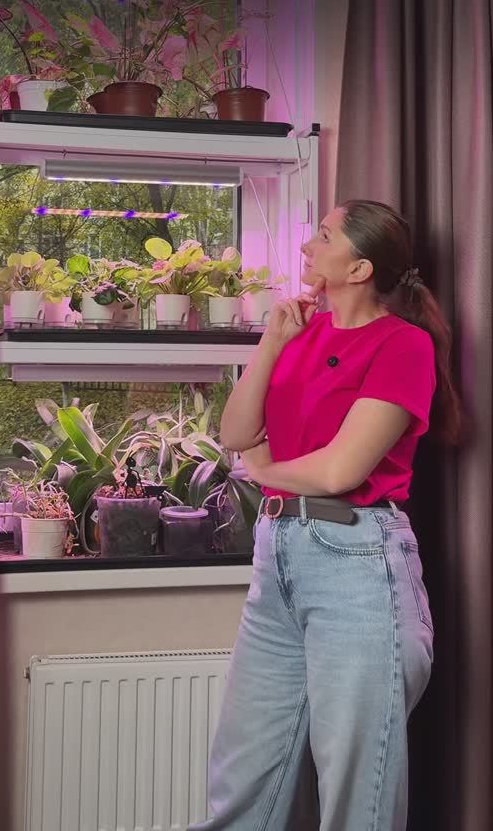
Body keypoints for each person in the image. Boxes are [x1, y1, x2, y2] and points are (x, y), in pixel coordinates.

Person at [189, 199, 462, 831]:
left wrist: (264, 470)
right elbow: (237, 432)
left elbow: (341, 471)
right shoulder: (301, 333)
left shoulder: (404, 345)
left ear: (360, 268)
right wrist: (271, 342)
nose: (307, 247)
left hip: (358, 565)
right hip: (278, 556)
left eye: (324, 236)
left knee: (357, 797)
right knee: (243, 784)